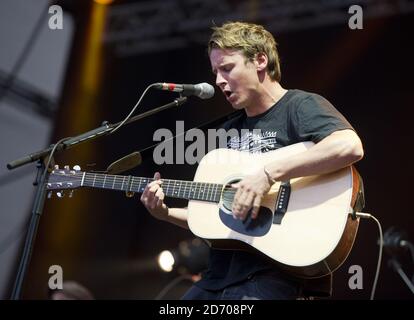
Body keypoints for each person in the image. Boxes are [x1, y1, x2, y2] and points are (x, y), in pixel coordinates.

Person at [140, 21, 364, 300]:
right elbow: (217, 217)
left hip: (274, 274)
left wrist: (268, 174)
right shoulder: (229, 131)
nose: (218, 80)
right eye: (215, 72)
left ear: (260, 60)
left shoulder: (299, 106)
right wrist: (164, 213)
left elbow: (349, 146)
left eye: (227, 68)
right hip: (218, 277)